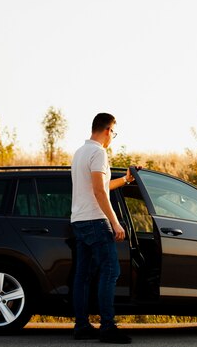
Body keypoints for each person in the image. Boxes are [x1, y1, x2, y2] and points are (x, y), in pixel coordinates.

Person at [70, 113, 134, 344]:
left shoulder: (80, 153)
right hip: (95, 221)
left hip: (78, 220)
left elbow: (101, 186)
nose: (112, 138)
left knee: (83, 275)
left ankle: (82, 326)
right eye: (113, 133)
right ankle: (107, 327)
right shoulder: (98, 152)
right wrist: (115, 222)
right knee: (111, 271)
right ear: (107, 130)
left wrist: (125, 180)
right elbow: (98, 191)